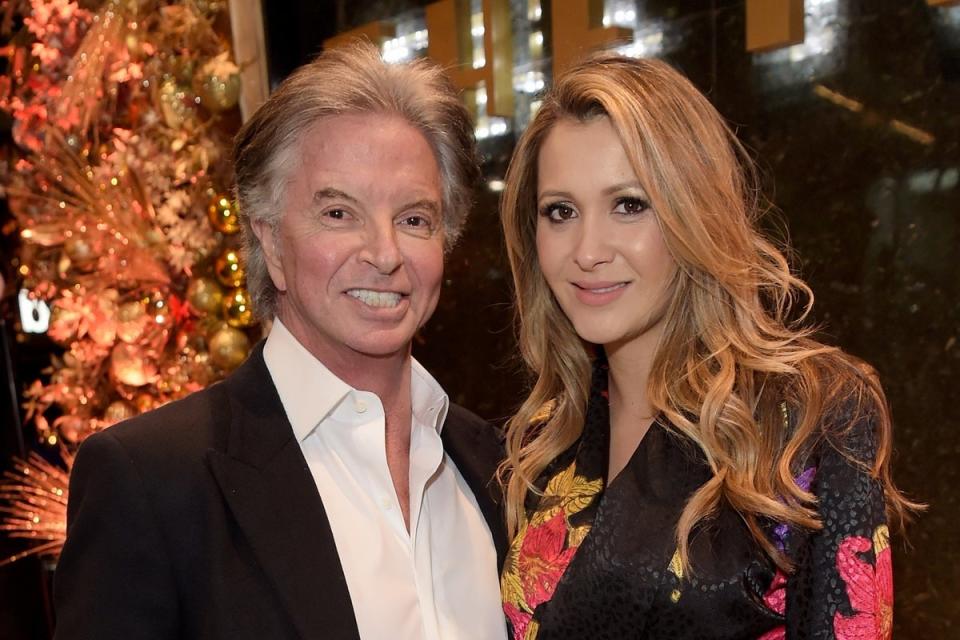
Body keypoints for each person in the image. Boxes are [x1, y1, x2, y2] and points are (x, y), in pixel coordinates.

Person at [53, 42, 507, 640]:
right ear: (270, 243)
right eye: (339, 213)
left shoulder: (496, 467)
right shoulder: (154, 483)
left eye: (414, 219)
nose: (385, 253)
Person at [497, 53, 919, 639]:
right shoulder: (548, 440)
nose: (587, 250)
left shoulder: (808, 413)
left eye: (629, 205)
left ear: (691, 209)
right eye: (560, 212)